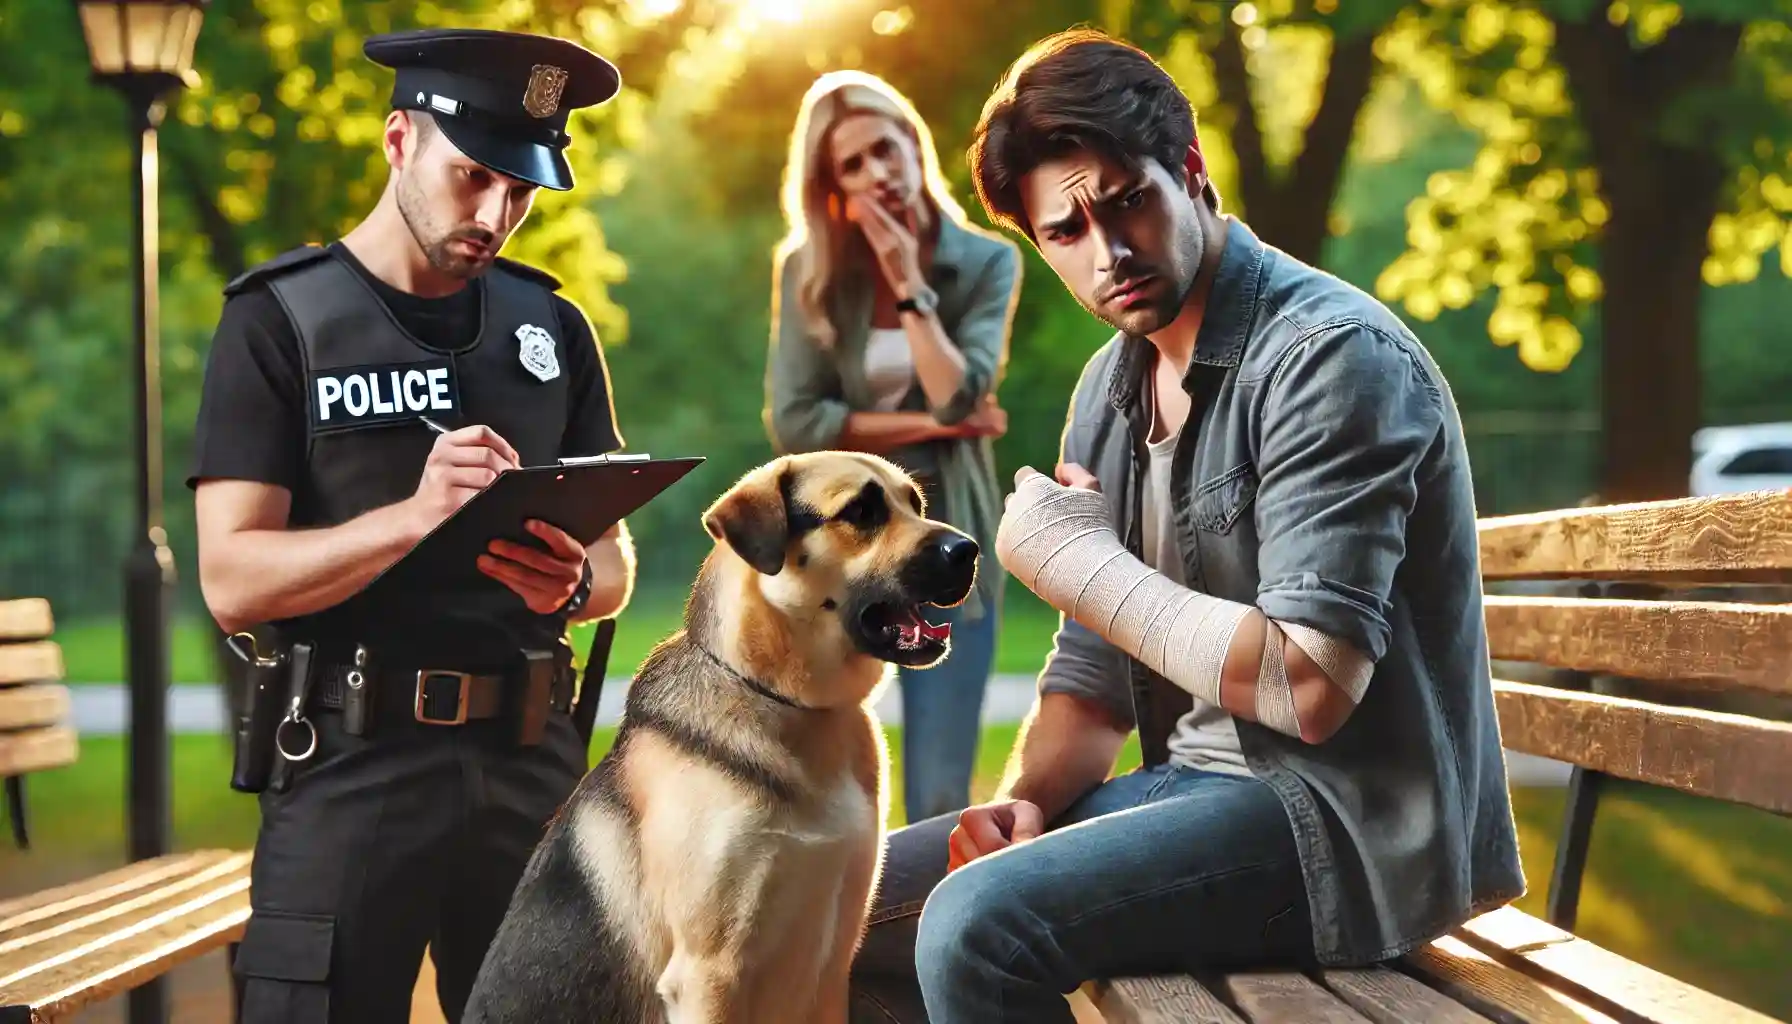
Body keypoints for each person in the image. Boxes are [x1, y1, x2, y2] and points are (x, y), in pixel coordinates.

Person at [846, 29, 1525, 1023]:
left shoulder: (1329, 358)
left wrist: (1080, 564)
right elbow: (1088, 686)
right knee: (842, 907)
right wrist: (1026, 802)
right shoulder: (1109, 388)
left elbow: (1309, 687)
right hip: (1192, 790)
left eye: (1125, 202)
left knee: (976, 925)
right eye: (1064, 232)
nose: (1106, 251)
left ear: (1191, 174)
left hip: (1344, 825)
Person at [187, 28, 636, 1023]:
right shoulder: (279, 322)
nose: (496, 214)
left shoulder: (550, 328)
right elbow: (232, 578)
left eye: (520, 192)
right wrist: (415, 516)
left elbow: (614, 564)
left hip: (531, 765)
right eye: (472, 176)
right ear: (398, 140)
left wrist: (570, 581)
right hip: (351, 762)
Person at [763, 70, 1022, 823]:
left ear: (914, 146)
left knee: (940, 791)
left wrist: (910, 285)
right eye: (852, 164)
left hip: (947, 538)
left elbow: (951, 389)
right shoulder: (810, 274)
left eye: (886, 148)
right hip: (839, 551)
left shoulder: (984, 263)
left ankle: (924, 936)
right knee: (819, 781)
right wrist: (945, 427)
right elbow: (795, 420)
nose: (877, 173)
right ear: (830, 185)